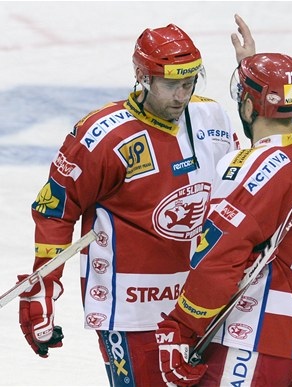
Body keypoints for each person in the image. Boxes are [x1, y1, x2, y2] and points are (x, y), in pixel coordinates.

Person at [17, 15, 255, 386]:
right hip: (132, 312)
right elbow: (55, 211)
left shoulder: (213, 117)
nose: (183, 95)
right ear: (143, 78)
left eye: (190, 82)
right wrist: (41, 289)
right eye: (172, 85)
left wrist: (249, 74)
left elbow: (240, 186)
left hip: (203, 305)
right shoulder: (101, 137)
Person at [155, 53, 292, 386]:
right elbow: (282, 114)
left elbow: (219, 260)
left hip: (253, 337)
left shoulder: (243, 169)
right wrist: (256, 68)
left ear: (250, 107)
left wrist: (179, 328)